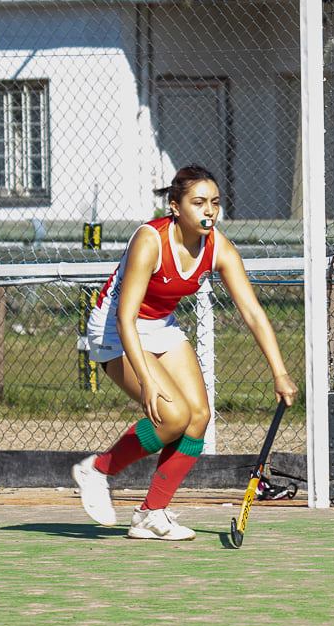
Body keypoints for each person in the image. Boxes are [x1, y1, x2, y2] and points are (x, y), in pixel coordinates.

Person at [71, 165, 298, 540]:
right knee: (171, 416)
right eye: (198, 202)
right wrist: (145, 380)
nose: (209, 211)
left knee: (198, 417)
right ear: (175, 207)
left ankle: (151, 514)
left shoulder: (218, 247)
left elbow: (253, 313)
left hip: (160, 325)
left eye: (215, 203)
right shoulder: (150, 240)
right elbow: (126, 317)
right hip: (115, 326)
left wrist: (279, 371)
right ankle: (97, 470)